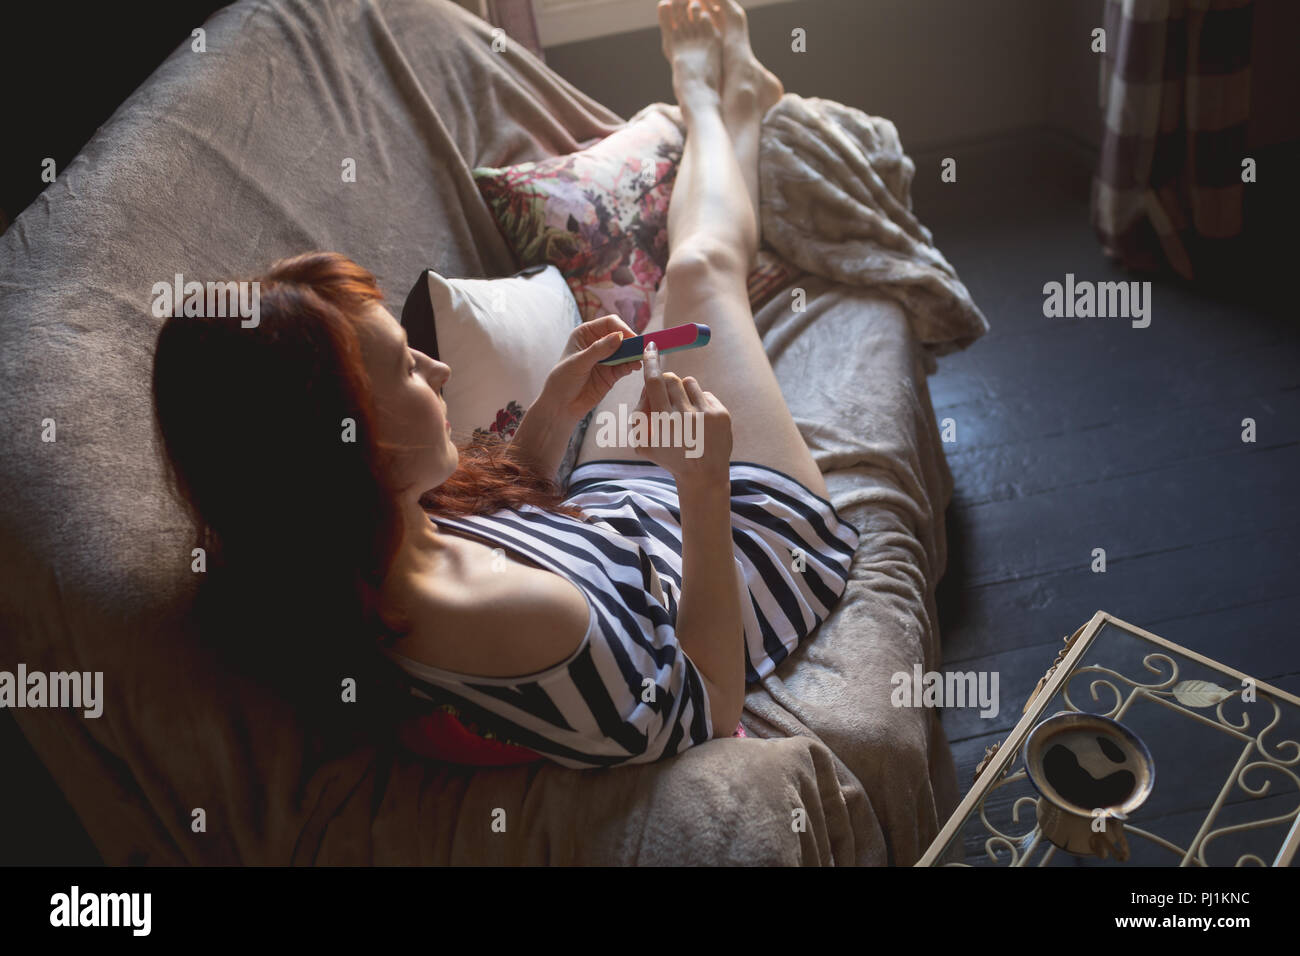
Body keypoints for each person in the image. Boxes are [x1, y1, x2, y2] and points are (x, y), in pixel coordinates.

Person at [151, 0, 859, 769]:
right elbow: (713, 704)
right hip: (750, 548)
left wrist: (557, 407)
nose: (439, 369)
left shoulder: (357, 552)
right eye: (406, 368)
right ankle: (719, 104)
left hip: (618, 507)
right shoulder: (517, 619)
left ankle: (729, 107)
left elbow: (514, 523)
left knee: (672, 294)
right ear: (346, 438)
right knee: (700, 271)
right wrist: (705, 484)